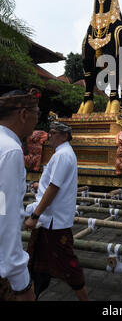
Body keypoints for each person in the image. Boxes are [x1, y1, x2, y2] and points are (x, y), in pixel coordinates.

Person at [25, 121, 89, 301]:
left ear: (64, 136)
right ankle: (33, 295)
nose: (49, 136)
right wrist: (40, 185)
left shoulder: (62, 155)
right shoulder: (62, 154)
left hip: (54, 221)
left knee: (69, 265)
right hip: (50, 220)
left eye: (53, 133)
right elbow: (52, 184)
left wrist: (34, 215)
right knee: (38, 262)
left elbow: (54, 188)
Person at [0, 89, 40, 301]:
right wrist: (21, 283)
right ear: (23, 114)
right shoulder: (11, 150)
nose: (37, 120)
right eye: (37, 113)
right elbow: (6, 217)